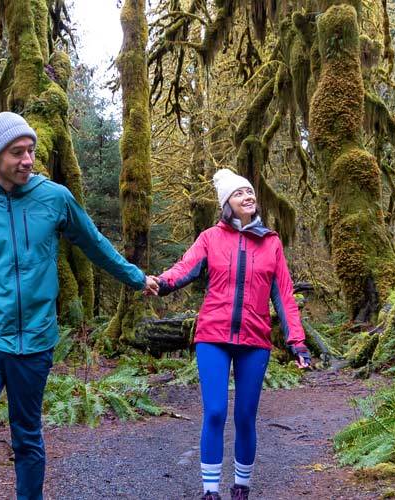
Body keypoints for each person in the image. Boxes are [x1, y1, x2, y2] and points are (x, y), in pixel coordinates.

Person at [0, 111, 160, 500]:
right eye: (17, 152)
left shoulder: (55, 198)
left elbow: (93, 243)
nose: (27, 160)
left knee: (27, 435)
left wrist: (135, 276)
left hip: (35, 340)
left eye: (30, 150)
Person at [147, 168, 313, 500]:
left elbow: (284, 294)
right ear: (227, 203)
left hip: (255, 340)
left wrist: (297, 341)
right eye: (239, 194)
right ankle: (210, 491)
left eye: (250, 192)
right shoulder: (211, 237)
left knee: (246, 416)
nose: (248, 197)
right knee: (216, 412)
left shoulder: (271, 243)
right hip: (213, 336)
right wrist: (161, 282)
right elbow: (185, 268)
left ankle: (241, 487)